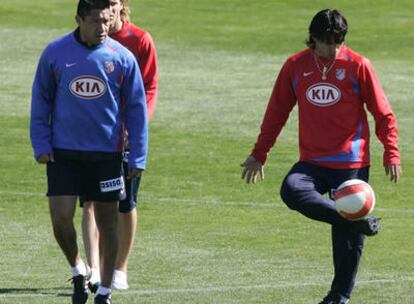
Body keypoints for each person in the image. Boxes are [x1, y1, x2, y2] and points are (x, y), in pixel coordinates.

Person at [241, 9, 401, 304]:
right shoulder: (294, 67)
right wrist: (259, 154)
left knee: (345, 237)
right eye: (328, 42)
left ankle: (339, 296)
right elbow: (276, 112)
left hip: (350, 162)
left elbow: (383, 113)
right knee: (291, 189)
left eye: (339, 42)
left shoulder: (358, 66)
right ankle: (355, 221)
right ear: (313, 39)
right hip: (312, 162)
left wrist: (391, 151)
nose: (334, 48)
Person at [30, 0, 148, 303]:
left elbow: (136, 110)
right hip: (63, 153)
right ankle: (78, 267)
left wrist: (137, 156)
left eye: (107, 21)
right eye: (96, 21)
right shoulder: (55, 53)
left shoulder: (122, 58)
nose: (103, 28)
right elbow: (41, 99)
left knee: (108, 223)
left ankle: (105, 291)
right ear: (79, 20)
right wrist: (41, 144)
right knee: (60, 217)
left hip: (107, 155)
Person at [81, 0, 158, 291]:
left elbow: (149, 87)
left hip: (125, 137)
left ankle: (120, 268)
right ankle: (94, 269)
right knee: (89, 201)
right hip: (92, 135)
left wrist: (137, 124)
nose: (108, 10)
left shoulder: (139, 40)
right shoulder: (88, 35)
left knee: (125, 205)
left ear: (122, 5)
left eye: (113, 2)